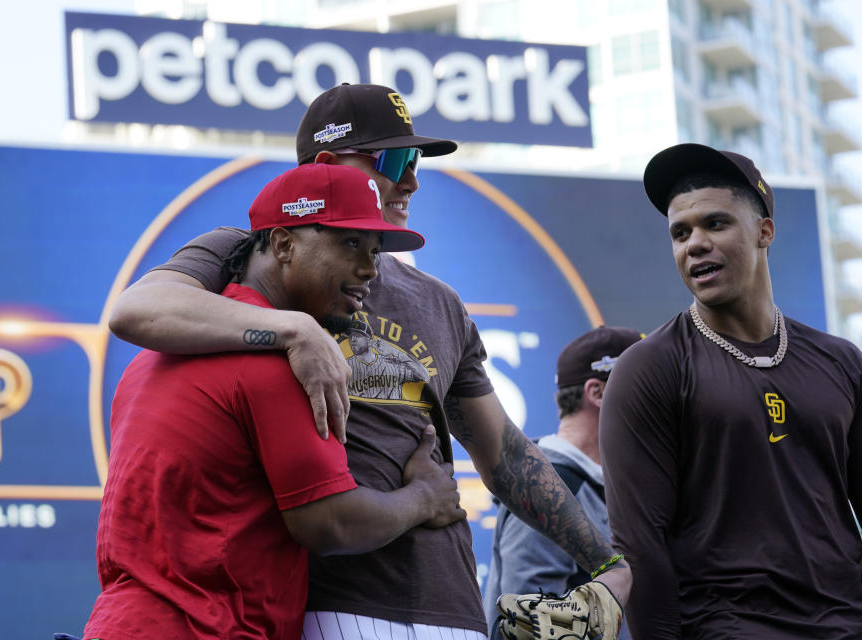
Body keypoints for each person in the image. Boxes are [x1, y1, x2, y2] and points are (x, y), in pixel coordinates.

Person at [109, 83, 631, 638]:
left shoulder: (441, 302)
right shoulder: (250, 251)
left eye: (417, 161)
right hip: (329, 602)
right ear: (330, 164)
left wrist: (607, 564)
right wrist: (296, 330)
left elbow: (504, 454)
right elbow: (136, 309)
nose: (412, 179)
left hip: (450, 604)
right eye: (397, 159)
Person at [81, 163, 467, 640]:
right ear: (283, 245)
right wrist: (423, 498)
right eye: (350, 245)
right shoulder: (283, 364)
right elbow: (329, 524)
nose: (370, 269)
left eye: (374, 250)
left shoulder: (150, 358)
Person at [600, 143, 862, 639]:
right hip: (728, 628)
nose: (694, 244)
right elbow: (639, 547)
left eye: (715, 224)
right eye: (681, 233)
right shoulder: (650, 367)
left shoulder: (841, 361)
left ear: (764, 231)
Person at [483, 326, 640, 639]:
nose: (663, 401)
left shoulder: (603, 485)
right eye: (648, 387)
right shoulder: (549, 488)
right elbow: (527, 627)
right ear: (597, 393)